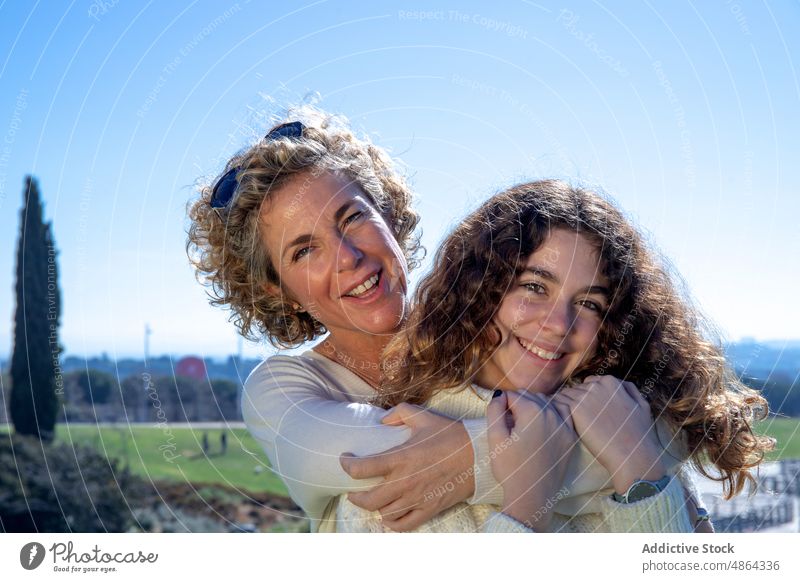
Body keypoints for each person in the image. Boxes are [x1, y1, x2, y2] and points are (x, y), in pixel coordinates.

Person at [363, 179, 774, 532]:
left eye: (590, 304)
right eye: (534, 287)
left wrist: (642, 473)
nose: (559, 323)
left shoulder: (629, 423)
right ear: (477, 292)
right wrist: (525, 506)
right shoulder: (403, 457)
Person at [187, 107, 497, 532]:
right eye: (304, 250)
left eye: (351, 218)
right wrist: (562, 445)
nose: (348, 258)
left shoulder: (489, 328)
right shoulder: (284, 388)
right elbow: (368, 459)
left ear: (387, 215)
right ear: (278, 291)